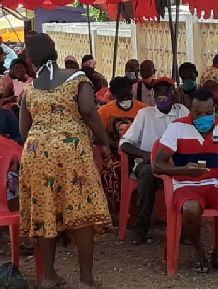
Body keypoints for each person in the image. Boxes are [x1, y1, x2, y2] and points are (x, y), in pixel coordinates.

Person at [19, 33, 112, 288]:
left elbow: (23, 129)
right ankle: (86, 279)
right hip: (72, 154)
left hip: (36, 153)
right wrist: (104, 141)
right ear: (56, 53)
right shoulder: (77, 79)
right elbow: (89, 112)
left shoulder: (30, 88)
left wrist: (44, 141)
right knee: (80, 210)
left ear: (30, 59)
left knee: (45, 211)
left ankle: (48, 276)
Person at [152, 89, 218, 274]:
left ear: (215, 110)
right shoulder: (177, 127)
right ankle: (198, 251)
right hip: (185, 186)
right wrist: (183, 170)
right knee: (190, 208)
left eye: (208, 113)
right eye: (197, 113)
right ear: (190, 110)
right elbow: (157, 165)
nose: (203, 117)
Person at [120, 77, 189, 244]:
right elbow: (125, 144)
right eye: (158, 92)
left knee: (190, 175)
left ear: (174, 93)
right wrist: (144, 155)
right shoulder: (145, 114)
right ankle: (140, 229)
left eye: (166, 91)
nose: (161, 95)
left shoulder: (183, 112)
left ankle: (186, 231)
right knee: (148, 175)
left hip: (176, 163)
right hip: (148, 163)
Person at [98, 77, 148, 215]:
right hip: (115, 151)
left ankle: (139, 209)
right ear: (113, 95)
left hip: (139, 151)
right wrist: (113, 145)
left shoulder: (144, 110)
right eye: (121, 96)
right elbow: (97, 136)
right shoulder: (105, 111)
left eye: (128, 95)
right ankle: (119, 210)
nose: (126, 99)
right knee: (115, 168)